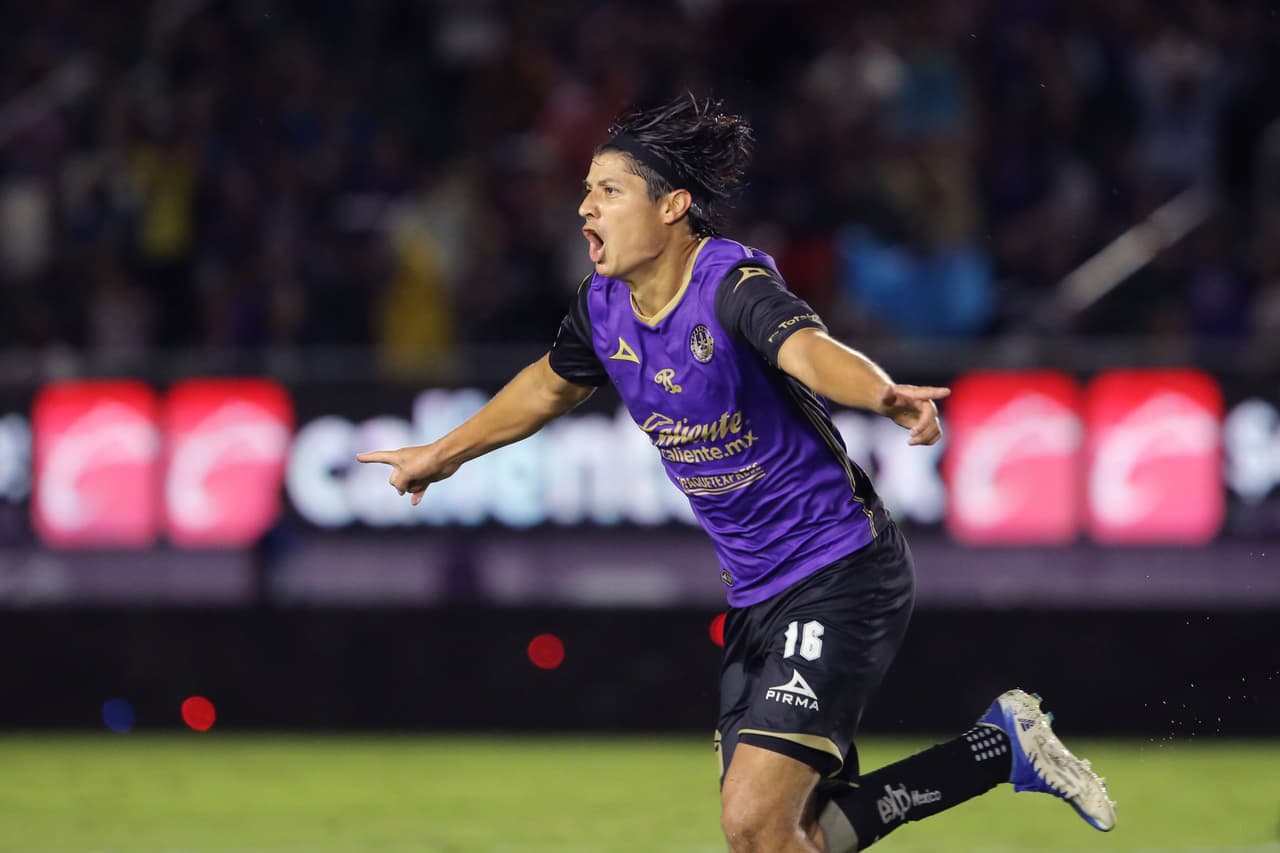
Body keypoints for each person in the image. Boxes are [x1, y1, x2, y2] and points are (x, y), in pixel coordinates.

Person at [357, 94, 1115, 851]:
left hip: (841, 568)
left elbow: (807, 351)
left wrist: (880, 392)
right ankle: (998, 746)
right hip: (756, 595)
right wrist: (440, 453)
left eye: (608, 190)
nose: (584, 207)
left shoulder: (728, 284)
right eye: (586, 189)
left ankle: (998, 747)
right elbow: (550, 384)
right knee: (779, 840)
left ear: (673, 207)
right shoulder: (603, 307)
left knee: (753, 821)